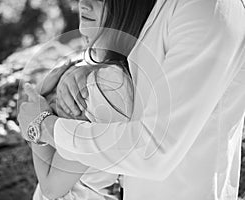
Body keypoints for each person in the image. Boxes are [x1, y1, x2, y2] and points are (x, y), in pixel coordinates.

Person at [18, 0, 245, 199]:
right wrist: (88, 67)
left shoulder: (207, 9)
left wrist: (41, 126)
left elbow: (155, 149)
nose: (82, 5)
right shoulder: (161, 9)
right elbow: (138, 59)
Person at [18, 0, 155, 199]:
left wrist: (37, 123)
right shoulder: (90, 72)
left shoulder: (108, 83)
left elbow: (51, 187)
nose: (84, 4)